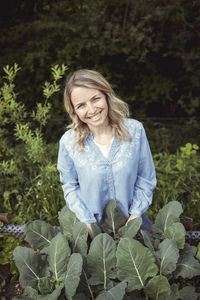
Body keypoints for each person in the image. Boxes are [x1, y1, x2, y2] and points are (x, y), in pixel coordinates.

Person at [57, 69, 156, 238]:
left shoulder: (135, 131)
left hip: (135, 229)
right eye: (81, 105)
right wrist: (88, 223)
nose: (92, 109)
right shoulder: (68, 142)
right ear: (74, 111)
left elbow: (146, 180)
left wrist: (134, 218)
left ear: (106, 96)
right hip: (92, 234)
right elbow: (70, 187)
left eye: (95, 99)